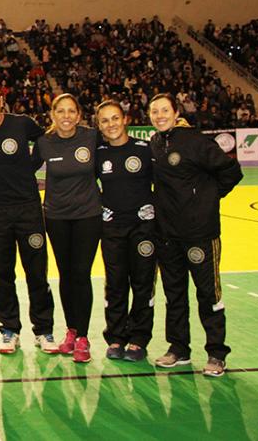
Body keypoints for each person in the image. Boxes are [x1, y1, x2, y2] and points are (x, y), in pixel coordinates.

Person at [148, 93, 242, 377]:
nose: (160, 115)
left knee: (208, 294)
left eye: (165, 110)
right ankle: (179, 349)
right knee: (174, 294)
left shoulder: (196, 141)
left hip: (200, 234)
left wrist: (207, 200)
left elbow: (231, 172)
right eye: (154, 112)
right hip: (168, 235)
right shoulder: (154, 143)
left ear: (176, 112)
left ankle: (216, 353)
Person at [0, 82, 58, 355]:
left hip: (28, 209)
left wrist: (29, 167)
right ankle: (9, 330)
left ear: (1, 100)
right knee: (2, 274)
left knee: (37, 272)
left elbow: (47, 140)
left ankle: (44, 330)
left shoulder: (22, 124)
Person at [35, 93, 101, 363]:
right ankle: (71, 331)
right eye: (60, 111)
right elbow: (22, 169)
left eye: (71, 111)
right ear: (52, 115)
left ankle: (83, 336)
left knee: (81, 273)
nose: (66, 116)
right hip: (56, 217)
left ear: (78, 115)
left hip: (88, 215)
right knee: (65, 274)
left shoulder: (92, 138)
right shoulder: (44, 142)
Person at [94, 100, 157, 362]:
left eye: (115, 118)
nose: (111, 124)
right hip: (112, 229)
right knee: (116, 285)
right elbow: (83, 184)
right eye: (105, 120)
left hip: (143, 228)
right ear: (99, 125)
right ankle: (117, 337)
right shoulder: (98, 153)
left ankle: (139, 338)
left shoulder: (144, 149)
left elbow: (165, 183)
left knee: (143, 284)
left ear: (125, 119)